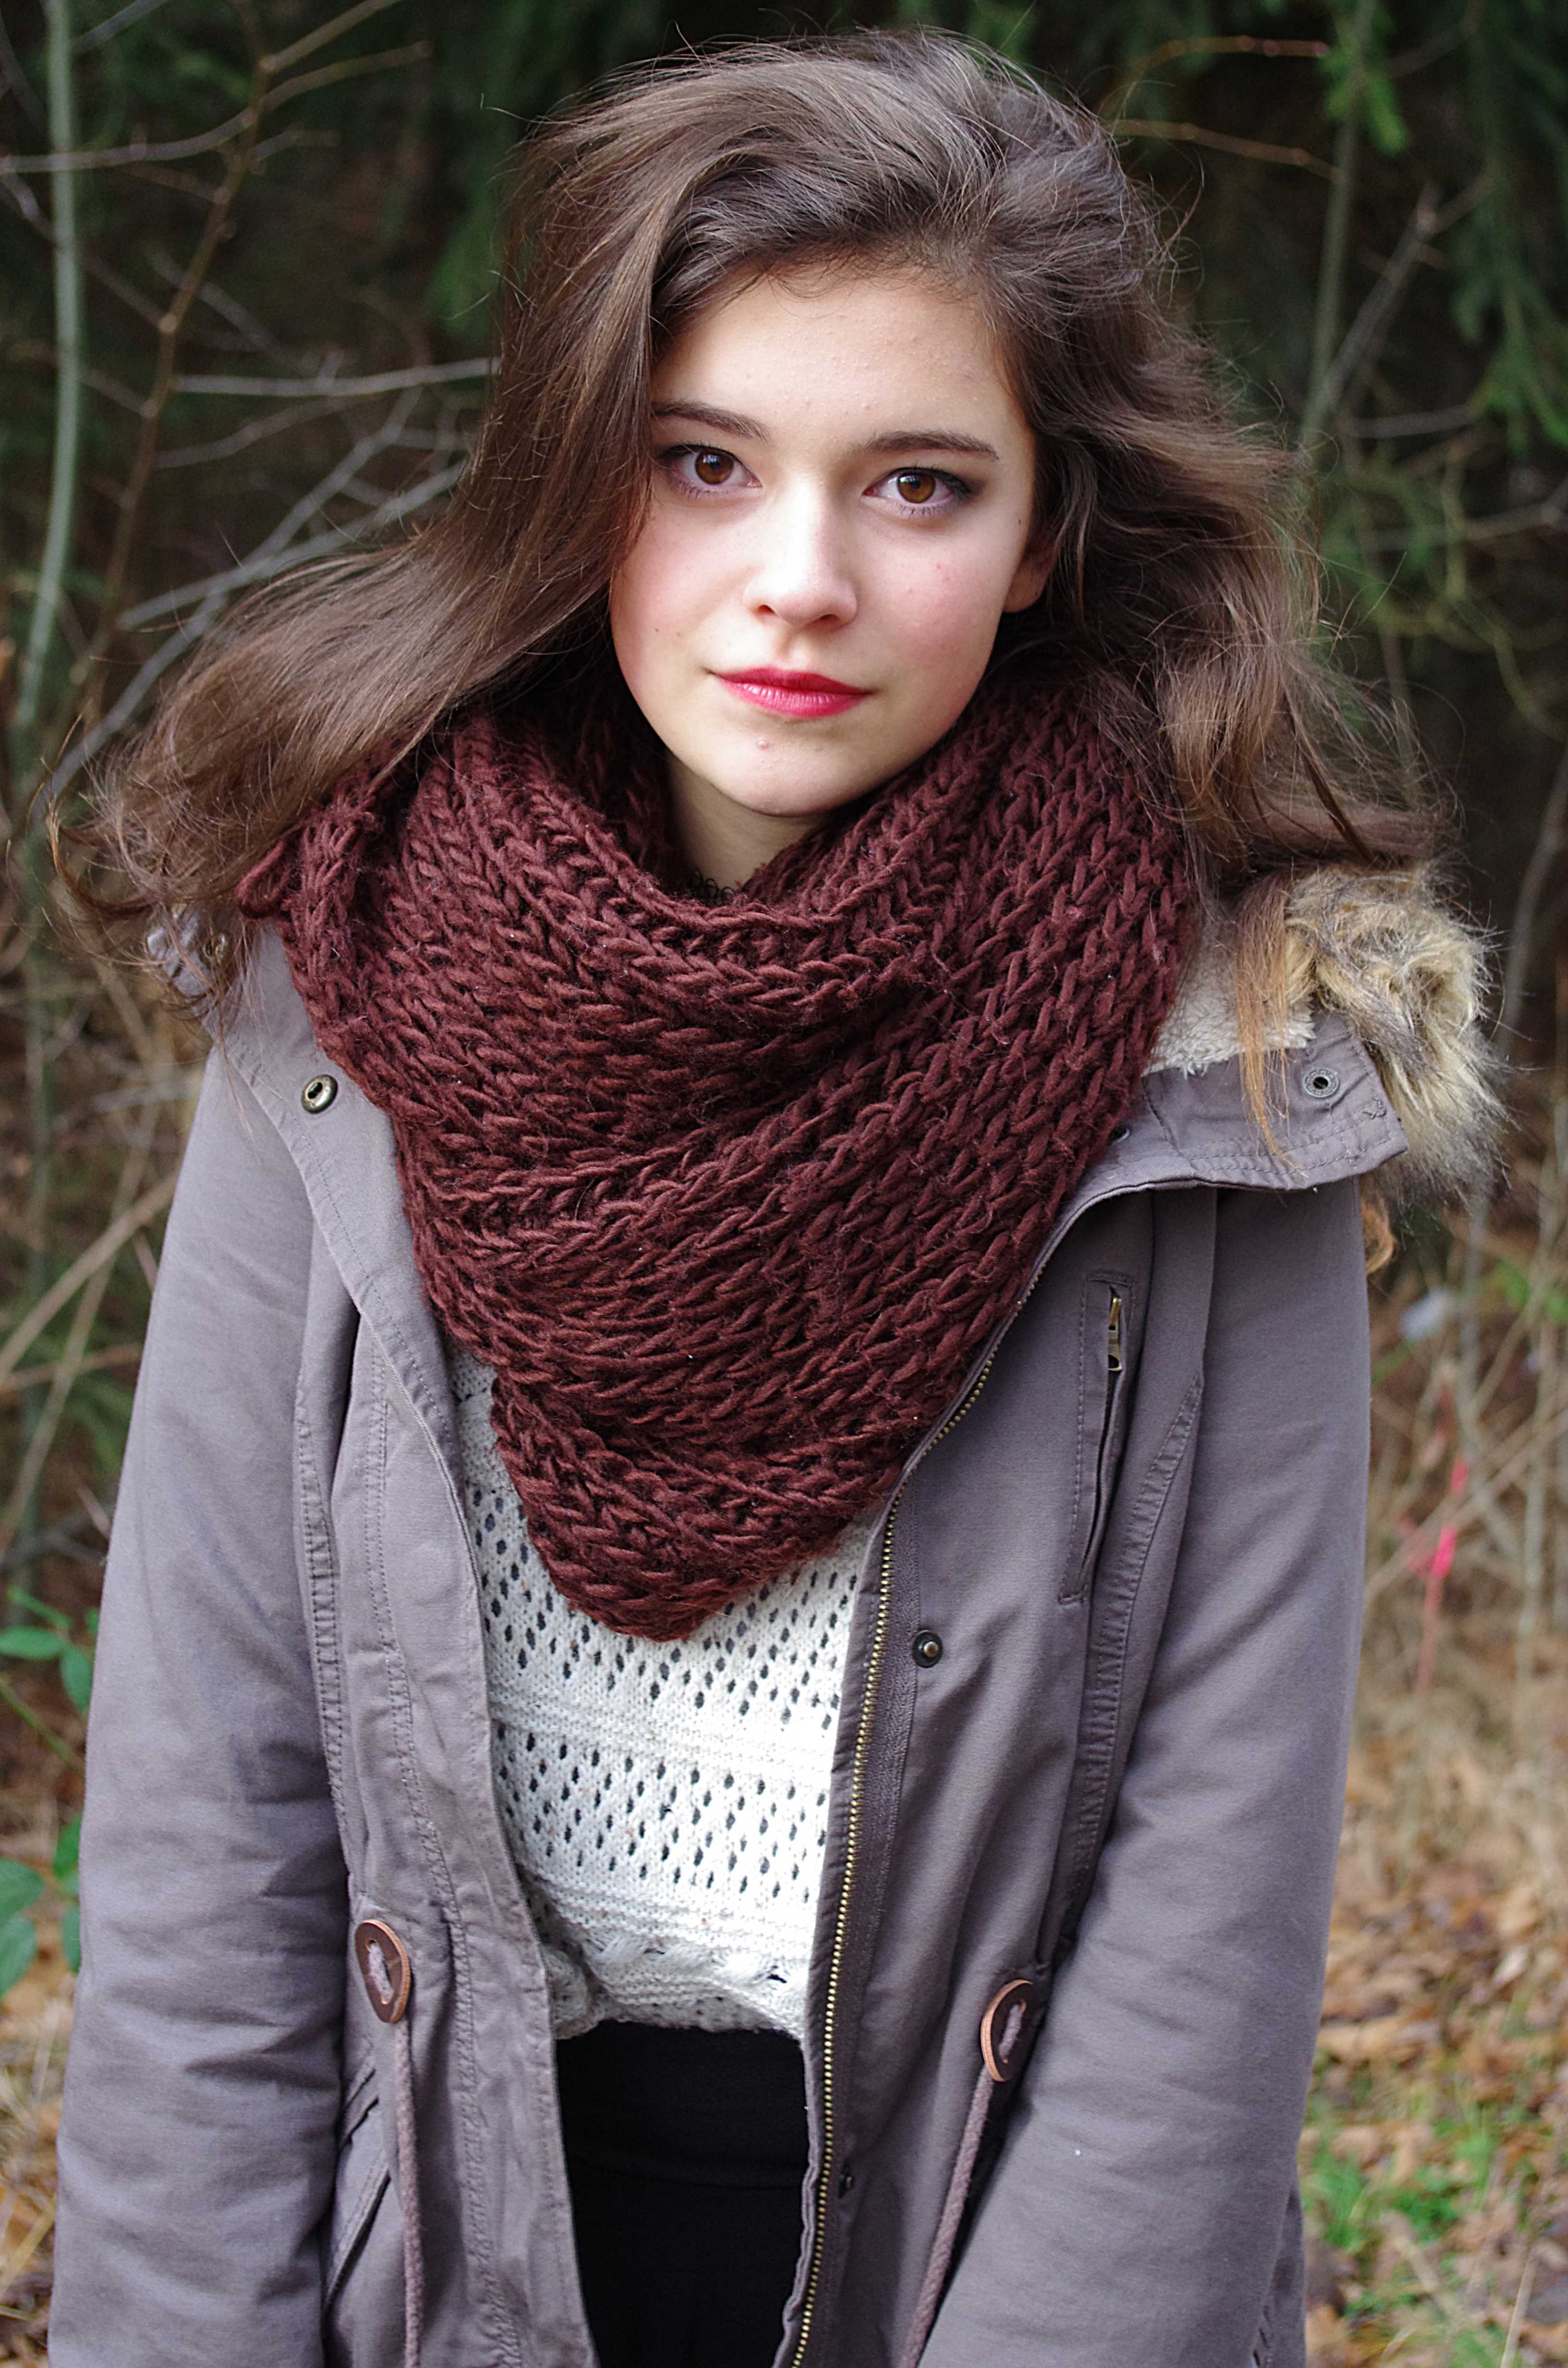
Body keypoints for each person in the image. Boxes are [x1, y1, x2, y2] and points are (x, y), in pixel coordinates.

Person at [49, 30, 1494, 2368]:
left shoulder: (1218, 1085)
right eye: (701, 462)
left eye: (918, 484)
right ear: (571, 479)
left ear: (1044, 539)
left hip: (971, 2270)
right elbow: (215, 1822)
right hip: (418, 2257)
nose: (797, 579)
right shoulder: (342, 1003)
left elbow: (1199, 1949)